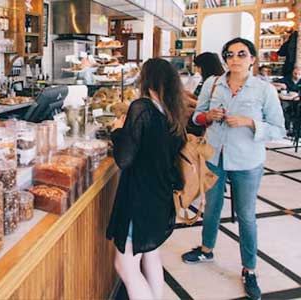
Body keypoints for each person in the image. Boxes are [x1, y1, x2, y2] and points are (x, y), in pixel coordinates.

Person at [181, 38, 285, 300]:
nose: (235, 59)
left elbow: (278, 129)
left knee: (247, 215)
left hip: (247, 162)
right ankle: (206, 249)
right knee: (212, 206)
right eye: (229, 54)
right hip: (215, 157)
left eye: (241, 54)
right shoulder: (214, 83)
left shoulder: (264, 90)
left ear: (252, 59)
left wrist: (251, 123)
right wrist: (208, 117)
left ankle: (249, 269)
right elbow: (196, 116)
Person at [106, 58, 186, 299]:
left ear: (146, 79)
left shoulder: (142, 108)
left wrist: (117, 131)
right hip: (160, 198)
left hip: (141, 201)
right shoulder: (173, 112)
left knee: (126, 267)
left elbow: (124, 159)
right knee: (151, 255)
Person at [186, 52, 225, 136]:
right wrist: (191, 96)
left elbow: (208, 106)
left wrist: (189, 100)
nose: (197, 70)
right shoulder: (207, 82)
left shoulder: (216, 83)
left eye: (198, 67)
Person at [273, 66, 301, 134]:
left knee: (298, 109)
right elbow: (271, 83)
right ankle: (286, 128)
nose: (297, 75)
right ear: (292, 72)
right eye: (295, 73)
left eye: (299, 74)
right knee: (283, 107)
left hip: (298, 100)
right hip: (286, 100)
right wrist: (280, 85)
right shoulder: (287, 79)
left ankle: (296, 130)